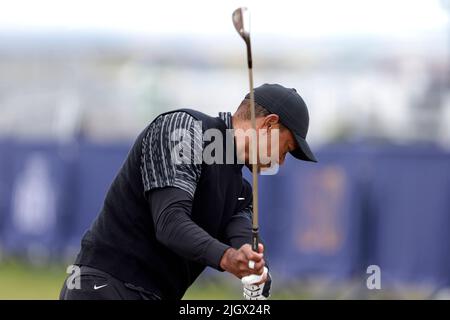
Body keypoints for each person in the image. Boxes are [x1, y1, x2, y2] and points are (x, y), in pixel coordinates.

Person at [59, 83, 317, 300]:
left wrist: (259, 274)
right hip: (105, 286)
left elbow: (245, 249)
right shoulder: (184, 129)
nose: (281, 161)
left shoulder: (241, 193)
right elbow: (170, 222)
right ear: (269, 125)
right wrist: (227, 258)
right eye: (285, 149)